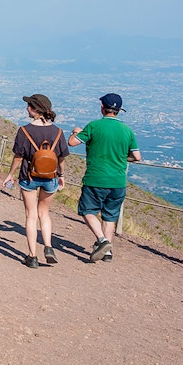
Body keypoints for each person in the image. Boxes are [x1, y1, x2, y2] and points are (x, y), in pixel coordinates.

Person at [68, 93, 141, 262]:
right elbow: (137, 157)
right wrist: (123, 157)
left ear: (102, 107)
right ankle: (107, 253)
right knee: (110, 217)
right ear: (118, 110)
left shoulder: (94, 126)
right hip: (118, 182)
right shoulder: (127, 130)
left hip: (96, 178)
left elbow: (72, 143)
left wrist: (76, 132)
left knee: (87, 211)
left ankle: (102, 241)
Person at [2, 95, 69, 268]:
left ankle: (32, 256)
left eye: (29, 106)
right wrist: (61, 175)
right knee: (44, 213)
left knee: (31, 215)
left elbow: (18, 157)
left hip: (29, 178)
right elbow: (61, 157)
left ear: (35, 109)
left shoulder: (24, 131)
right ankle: (48, 246)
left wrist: (10, 174)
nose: (27, 109)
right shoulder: (58, 132)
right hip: (50, 178)